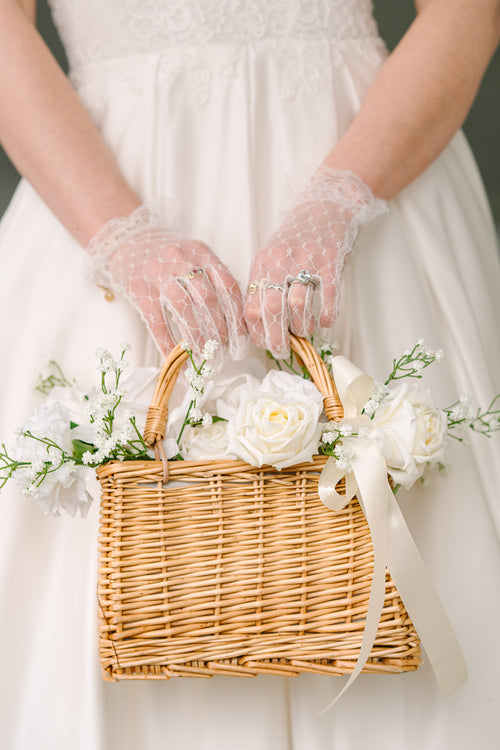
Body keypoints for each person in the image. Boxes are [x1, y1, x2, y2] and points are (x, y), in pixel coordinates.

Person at [0, 0, 499, 747]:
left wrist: (340, 200)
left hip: (371, 159)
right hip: (102, 176)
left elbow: (466, 12)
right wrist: (119, 235)